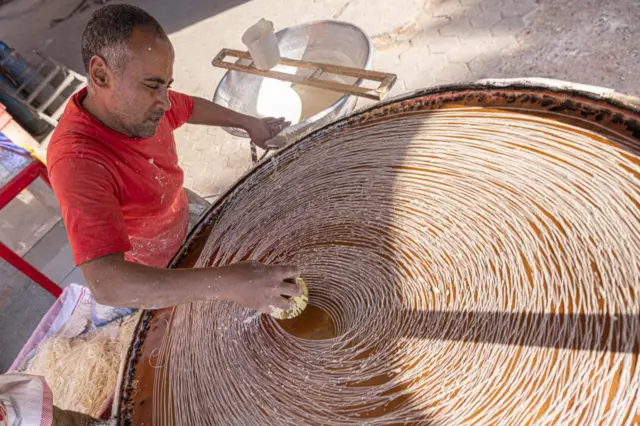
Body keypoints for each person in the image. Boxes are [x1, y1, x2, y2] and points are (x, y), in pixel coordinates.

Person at [47, 4, 301, 313]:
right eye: (153, 86)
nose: (165, 102)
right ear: (101, 74)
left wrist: (251, 124)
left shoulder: (149, 106)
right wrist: (228, 283)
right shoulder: (76, 161)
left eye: (167, 85)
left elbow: (189, 107)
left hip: (182, 209)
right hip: (157, 270)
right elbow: (107, 283)